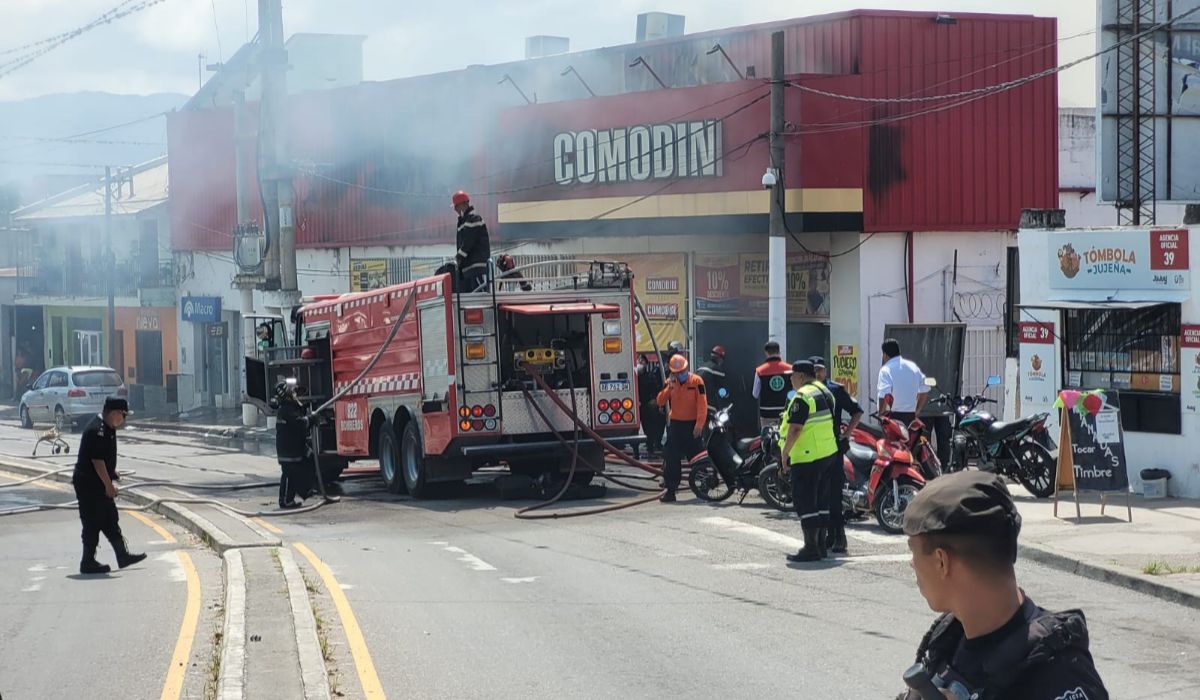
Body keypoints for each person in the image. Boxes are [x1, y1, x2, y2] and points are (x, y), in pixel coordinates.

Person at [899, 471, 1108, 699]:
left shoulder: (1059, 674)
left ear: (941, 561)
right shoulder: (949, 637)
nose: (912, 563)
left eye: (913, 551)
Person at [72, 398, 146, 575]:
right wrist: (108, 486)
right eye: (123, 415)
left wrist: (113, 473)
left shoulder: (108, 429)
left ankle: (122, 555)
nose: (124, 419)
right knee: (92, 522)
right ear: (114, 413)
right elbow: (97, 461)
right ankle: (87, 562)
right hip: (89, 485)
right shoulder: (97, 430)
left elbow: (104, 459)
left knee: (110, 518)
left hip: (98, 482)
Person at [779, 360, 840, 563]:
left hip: (807, 456)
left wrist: (784, 453)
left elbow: (795, 428)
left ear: (802, 376)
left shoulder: (803, 397)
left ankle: (811, 548)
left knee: (805, 502)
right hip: (828, 453)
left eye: (793, 375)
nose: (790, 379)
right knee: (822, 502)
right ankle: (821, 545)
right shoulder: (825, 391)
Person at [811, 355, 864, 555]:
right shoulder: (807, 392)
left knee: (833, 494)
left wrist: (846, 434)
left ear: (825, 371)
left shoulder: (835, 389)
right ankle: (826, 537)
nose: (817, 373)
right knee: (817, 495)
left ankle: (839, 536)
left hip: (833, 448)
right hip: (813, 450)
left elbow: (857, 411)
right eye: (814, 370)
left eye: (820, 369)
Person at [655, 354, 708, 502]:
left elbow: (702, 405)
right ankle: (671, 490)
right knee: (671, 458)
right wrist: (669, 388)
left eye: (683, 370)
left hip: (692, 426)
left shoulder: (697, 382)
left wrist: (699, 425)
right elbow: (660, 401)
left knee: (698, 457)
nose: (681, 374)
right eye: (677, 372)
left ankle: (705, 484)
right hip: (676, 426)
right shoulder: (670, 383)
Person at [275, 380, 314, 509]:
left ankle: (302, 492)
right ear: (286, 395)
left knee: (298, 470)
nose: (294, 393)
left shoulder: (288, 407)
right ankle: (285, 500)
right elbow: (298, 423)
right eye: (291, 391)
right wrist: (311, 419)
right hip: (288, 450)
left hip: (292, 448)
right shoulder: (286, 409)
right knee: (288, 474)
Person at [878, 338, 929, 426]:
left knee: (891, 440)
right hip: (910, 418)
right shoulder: (913, 367)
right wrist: (917, 410)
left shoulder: (886, 370)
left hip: (891, 417)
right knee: (909, 439)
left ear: (885, 355)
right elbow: (925, 388)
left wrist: (881, 414)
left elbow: (885, 393)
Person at [453, 191, 492, 292]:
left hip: (477, 267)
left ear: (463, 204)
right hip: (468, 270)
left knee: (481, 296)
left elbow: (468, 241)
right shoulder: (463, 222)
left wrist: (458, 257)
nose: (455, 209)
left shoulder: (474, 219)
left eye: (456, 206)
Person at [753, 341, 791, 430]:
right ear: (779, 352)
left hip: (766, 413)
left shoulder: (760, 371)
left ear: (766, 353)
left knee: (767, 440)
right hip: (785, 412)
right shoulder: (790, 369)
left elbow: (755, 394)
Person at [696, 345, 729, 410]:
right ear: (720, 358)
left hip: (695, 403)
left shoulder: (700, 368)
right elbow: (721, 389)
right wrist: (727, 395)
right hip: (708, 405)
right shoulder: (717, 370)